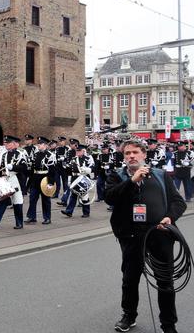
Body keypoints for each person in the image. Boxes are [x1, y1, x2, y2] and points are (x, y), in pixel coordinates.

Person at [105, 140, 185, 333]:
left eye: (135, 153)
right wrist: (132, 181)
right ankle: (129, 316)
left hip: (160, 234)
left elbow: (178, 202)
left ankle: (168, 325)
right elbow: (110, 197)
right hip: (131, 236)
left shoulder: (160, 175)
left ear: (143, 155)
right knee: (130, 278)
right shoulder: (117, 176)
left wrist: (169, 217)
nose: (131, 156)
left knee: (165, 281)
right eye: (127, 153)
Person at [0, 135, 28, 230]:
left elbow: (24, 168)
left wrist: (14, 167)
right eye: (5, 143)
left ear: (13, 143)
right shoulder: (4, 154)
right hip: (5, 179)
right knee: (2, 200)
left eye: (7, 143)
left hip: (16, 180)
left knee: (17, 202)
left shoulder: (20, 153)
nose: (5, 144)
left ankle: (19, 223)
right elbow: (1, 167)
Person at [25, 136, 55, 225]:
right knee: (32, 199)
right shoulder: (36, 154)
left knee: (45, 200)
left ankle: (47, 218)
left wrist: (51, 183)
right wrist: (29, 183)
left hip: (45, 179)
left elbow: (52, 171)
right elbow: (32, 170)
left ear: (45, 145)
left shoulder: (50, 155)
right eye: (38, 144)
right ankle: (32, 217)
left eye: (40, 144)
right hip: (35, 179)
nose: (38, 145)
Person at [60, 143, 94, 218]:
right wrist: (69, 181)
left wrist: (85, 170)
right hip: (75, 179)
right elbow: (69, 171)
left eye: (79, 151)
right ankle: (69, 211)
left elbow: (92, 168)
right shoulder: (74, 159)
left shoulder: (88, 158)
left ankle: (86, 212)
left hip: (83, 179)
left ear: (83, 151)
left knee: (84, 196)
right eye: (76, 151)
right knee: (73, 196)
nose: (77, 152)